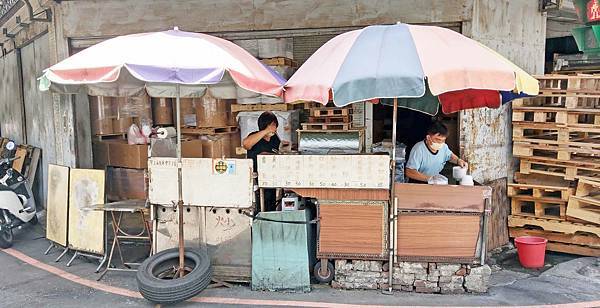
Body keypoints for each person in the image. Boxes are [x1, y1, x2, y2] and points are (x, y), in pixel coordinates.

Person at [242, 111, 281, 211]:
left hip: (271, 177)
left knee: (271, 204)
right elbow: (246, 144)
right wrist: (265, 131)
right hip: (257, 179)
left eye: (274, 125)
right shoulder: (255, 136)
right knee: (259, 205)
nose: (274, 128)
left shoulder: (275, 139)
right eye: (271, 125)